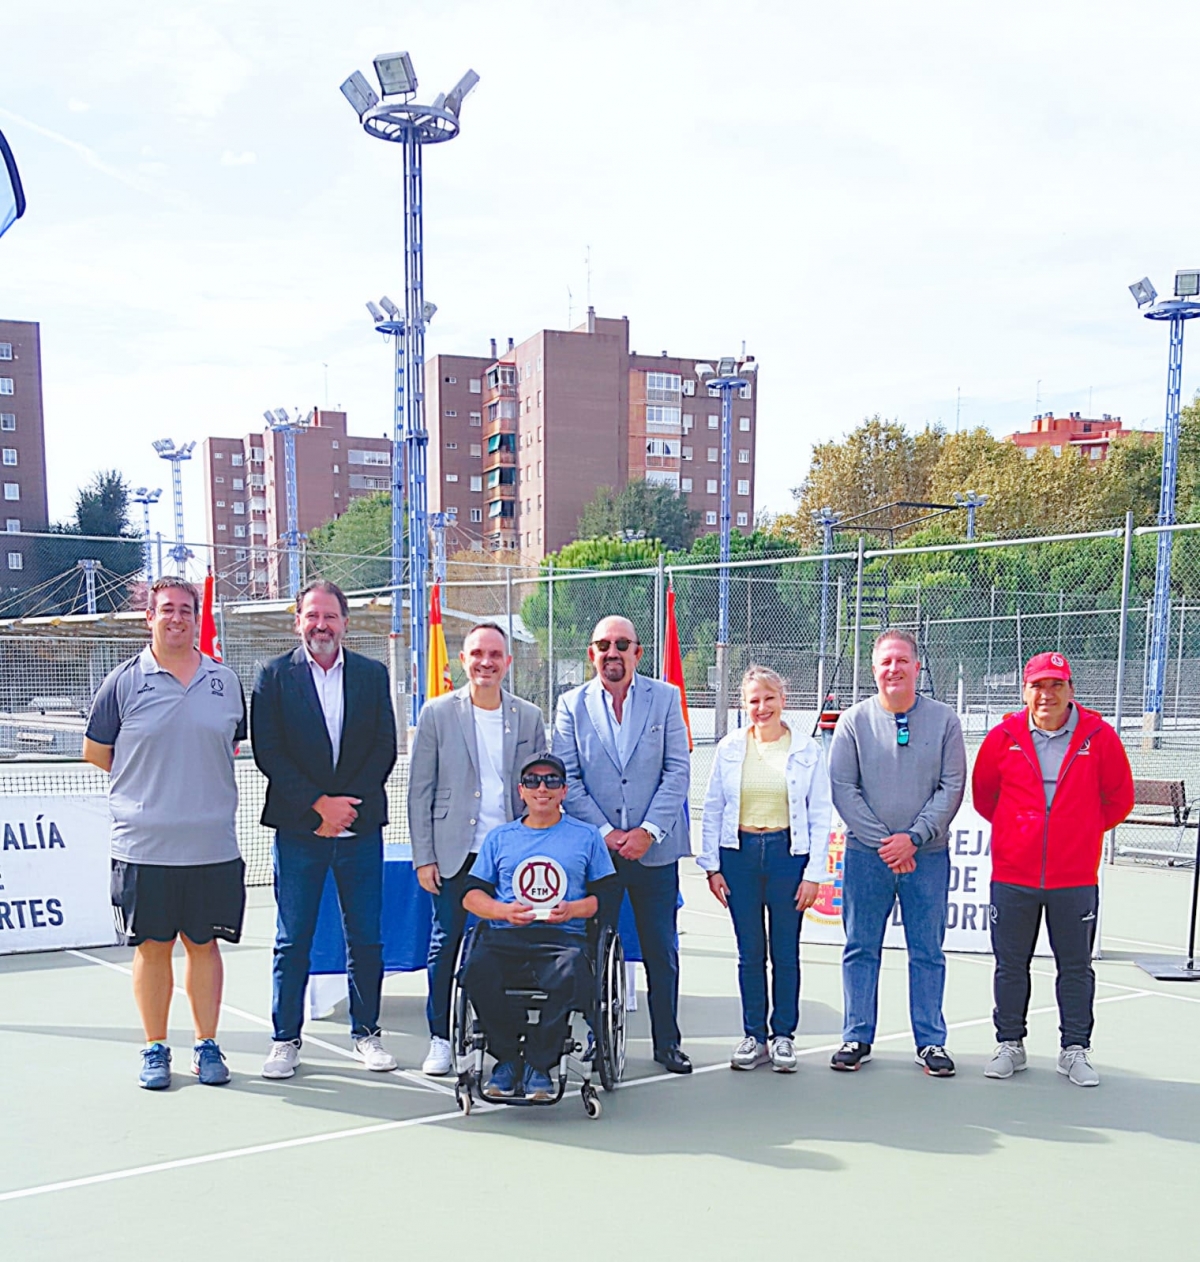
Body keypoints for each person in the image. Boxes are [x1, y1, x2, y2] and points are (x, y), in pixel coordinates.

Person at [83, 577, 247, 1090]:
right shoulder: (124, 682)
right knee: (153, 946)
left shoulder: (225, 681)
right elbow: (97, 752)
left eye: (185, 609)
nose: (176, 617)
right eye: (166, 609)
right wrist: (148, 792)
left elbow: (230, 746)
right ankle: (155, 1048)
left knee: (204, 945)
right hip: (143, 846)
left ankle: (207, 1045)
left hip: (211, 846)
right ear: (148, 617)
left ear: (197, 617)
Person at [251, 579, 398, 1079]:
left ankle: (367, 1033)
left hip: (359, 827)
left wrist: (345, 808)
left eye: (330, 616)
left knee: (366, 937)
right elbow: (268, 751)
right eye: (312, 616)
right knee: (293, 939)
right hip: (299, 831)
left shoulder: (372, 675)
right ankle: (285, 1039)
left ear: (345, 622)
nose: (321, 625)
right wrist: (318, 806)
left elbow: (384, 746)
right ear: (298, 622)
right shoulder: (272, 676)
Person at [972, 651, 1134, 1087]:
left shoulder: (1098, 736)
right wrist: (1019, 833)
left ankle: (1074, 1050)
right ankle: (1010, 1044)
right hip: (1013, 875)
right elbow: (985, 797)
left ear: (1070, 690)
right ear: (1025, 691)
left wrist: (1077, 831)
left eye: (1056, 685)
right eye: (1038, 686)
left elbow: (1119, 799)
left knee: (1076, 967)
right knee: (1010, 965)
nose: (1047, 695)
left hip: (1075, 877)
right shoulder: (1002, 736)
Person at [553, 615, 693, 1074]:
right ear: (591, 653)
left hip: (655, 852)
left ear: (637, 652)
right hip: (598, 856)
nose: (612, 653)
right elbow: (567, 778)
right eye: (602, 645)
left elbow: (677, 772)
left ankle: (667, 1042)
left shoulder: (667, 699)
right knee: (595, 948)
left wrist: (647, 831)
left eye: (621, 645)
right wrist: (606, 835)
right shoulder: (571, 705)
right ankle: (598, 1038)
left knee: (660, 950)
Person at [407, 621, 547, 1076]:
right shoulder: (436, 713)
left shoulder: (528, 716)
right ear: (462, 660)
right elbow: (419, 791)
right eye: (477, 654)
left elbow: (540, 787)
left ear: (508, 662)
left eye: (495, 654)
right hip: (453, 852)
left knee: (507, 945)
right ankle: (441, 1037)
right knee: (445, 942)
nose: (485, 662)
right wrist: (424, 856)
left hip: (509, 854)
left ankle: (506, 1039)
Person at [827, 628, 966, 1076]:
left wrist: (915, 838)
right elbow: (843, 788)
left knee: (927, 951)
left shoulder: (945, 721)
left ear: (916, 667)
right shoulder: (852, 721)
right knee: (860, 947)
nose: (893, 669)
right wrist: (885, 843)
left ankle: (930, 1042)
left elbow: (951, 787)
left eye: (902, 660)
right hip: (868, 857)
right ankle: (857, 1035)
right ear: (873, 669)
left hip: (927, 856)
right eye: (886, 661)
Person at [699, 666, 832, 1072]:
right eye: (754, 700)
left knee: (785, 951)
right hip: (738, 856)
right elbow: (714, 807)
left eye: (769, 698)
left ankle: (784, 1036)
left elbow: (821, 812)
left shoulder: (807, 751)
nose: (762, 707)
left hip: (786, 856)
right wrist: (711, 866)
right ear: (744, 704)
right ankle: (753, 1035)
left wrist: (813, 874)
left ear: (783, 700)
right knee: (749, 952)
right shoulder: (729, 748)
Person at [461, 754, 616, 1099]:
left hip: (563, 937)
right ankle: (507, 1059)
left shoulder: (586, 836)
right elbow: (471, 896)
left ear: (564, 791)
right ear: (521, 791)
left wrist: (573, 908)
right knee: (476, 971)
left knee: (573, 972)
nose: (541, 788)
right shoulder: (500, 838)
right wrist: (502, 911)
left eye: (550, 781)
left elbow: (605, 898)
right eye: (532, 781)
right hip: (506, 934)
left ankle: (539, 1062)